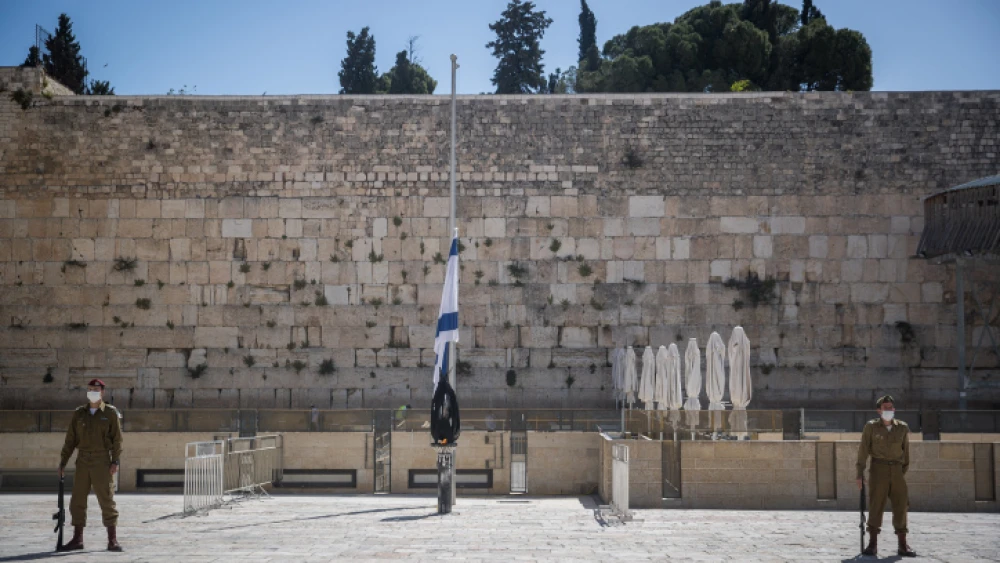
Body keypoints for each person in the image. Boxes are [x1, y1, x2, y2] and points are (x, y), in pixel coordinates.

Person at [58, 378, 124, 552]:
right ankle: (77, 539)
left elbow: (117, 439)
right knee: (77, 500)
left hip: (102, 461)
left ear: (102, 392)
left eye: (95, 389)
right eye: (89, 389)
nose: (92, 391)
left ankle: (112, 540)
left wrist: (115, 460)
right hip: (83, 461)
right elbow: (70, 440)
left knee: (106, 500)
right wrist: (63, 462)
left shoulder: (110, 413)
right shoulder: (79, 413)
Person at [856, 395, 916, 557]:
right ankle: (872, 544)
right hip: (878, 469)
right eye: (885, 408)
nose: (888, 410)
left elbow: (906, 455)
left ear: (894, 409)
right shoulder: (871, 427)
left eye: (890, 407)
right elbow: (863, 451)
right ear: (879, 410)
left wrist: (899, 473)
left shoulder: (902, 427)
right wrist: (859, 473)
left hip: (896, 470)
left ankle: (903, 544)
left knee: (901, 506)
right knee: (876, 505)